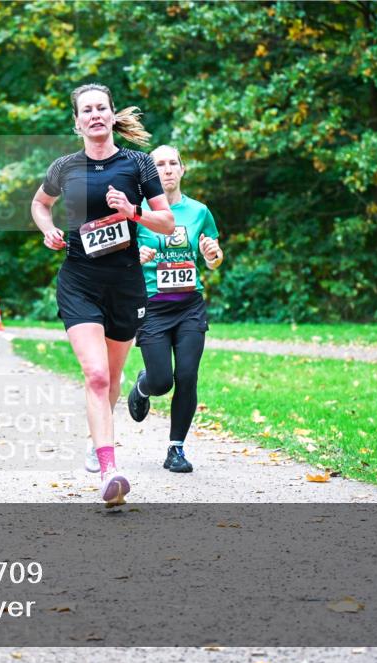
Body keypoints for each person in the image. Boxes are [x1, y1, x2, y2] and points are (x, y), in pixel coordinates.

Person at [30, 83, 175, 506]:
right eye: (86, 110)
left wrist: (133, 212)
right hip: (79, 280)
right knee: (95, 375)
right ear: (77, 122)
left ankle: (99, 437)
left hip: (126, 282)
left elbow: (166, 223)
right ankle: (110, 468)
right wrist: (49, 230)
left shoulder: (138, 164)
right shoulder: (64, 167)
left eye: (101, 108)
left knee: (110, 378)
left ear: (112, 116)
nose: (94, 115)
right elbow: (40, 204)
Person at [128, 145, 224, 474]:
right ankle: (142, 387)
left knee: (187, 375)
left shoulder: (199, 212)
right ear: (150, 174)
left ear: (182, 170)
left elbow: (212, 257)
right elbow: (116, 261)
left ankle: (176, 449)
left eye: (173, 163)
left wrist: (213, 255)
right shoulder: (137, 212)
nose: (167, 169)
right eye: (160, 165)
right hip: (152, 307)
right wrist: (134, 259)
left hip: (189, 307)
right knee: (161, 380)